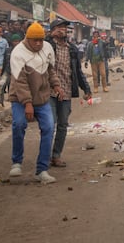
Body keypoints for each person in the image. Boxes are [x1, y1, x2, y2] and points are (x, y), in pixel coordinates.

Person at [8, 22, 61, 184]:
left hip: (42, 98)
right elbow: (20, 82)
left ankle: (42, 169)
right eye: (35, 40)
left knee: (49, 128)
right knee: (19, 124)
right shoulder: (18, 53)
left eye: (40, 40)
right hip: (20, 98)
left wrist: (56, 85)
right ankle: (17, 162)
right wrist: (27, 103)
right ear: (27, 39)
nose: (38, 43)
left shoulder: (47, 48)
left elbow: (50, 70)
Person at [46, 19, 92, 168]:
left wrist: (86, 89)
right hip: (49, 92)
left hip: (66, 91)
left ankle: (56, 155)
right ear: (53, 30)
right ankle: (45, 156)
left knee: (63, 125)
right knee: (50, 124)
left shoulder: (72, 49)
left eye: (65, 28)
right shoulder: (47, 46)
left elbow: (77, 71)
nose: (63, 30)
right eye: (59, 27)